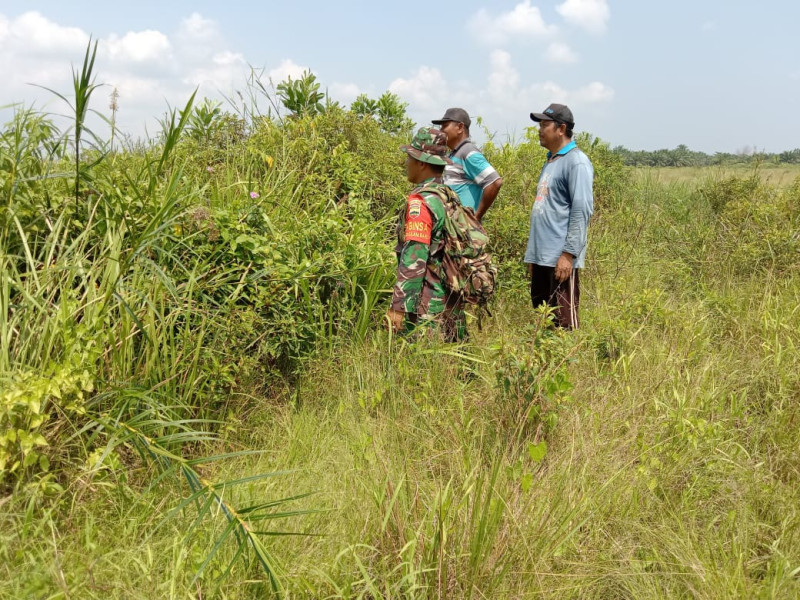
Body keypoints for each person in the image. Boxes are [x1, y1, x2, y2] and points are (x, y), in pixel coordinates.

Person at [387, 127, 465, 341]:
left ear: (421, 162)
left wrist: (399, 306)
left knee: (422, 369)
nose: (407, 164)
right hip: (452, 301)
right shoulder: (448, 197)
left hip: (428, 308)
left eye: (409, 157)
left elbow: (415, 257)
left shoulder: (421, 203)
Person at [525, 103, 594, 330]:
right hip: (542, 258)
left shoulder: (577, 162)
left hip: (560, 259)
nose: (540, 129)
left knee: (564, 322)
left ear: (561, 128)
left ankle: (568, 366)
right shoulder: (551, 160)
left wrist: (568, 254)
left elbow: (581, 209)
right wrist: (533, 257)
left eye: (545, 124)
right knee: (543, 319)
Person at [431, 108, 502, 221]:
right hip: (456, 231)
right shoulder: (454, 154)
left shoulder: (468, 152)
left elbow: (495, 182)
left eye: (445, 125)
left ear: (459, 127)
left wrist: (476, 217)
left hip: (465, 231)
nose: (441, 130)